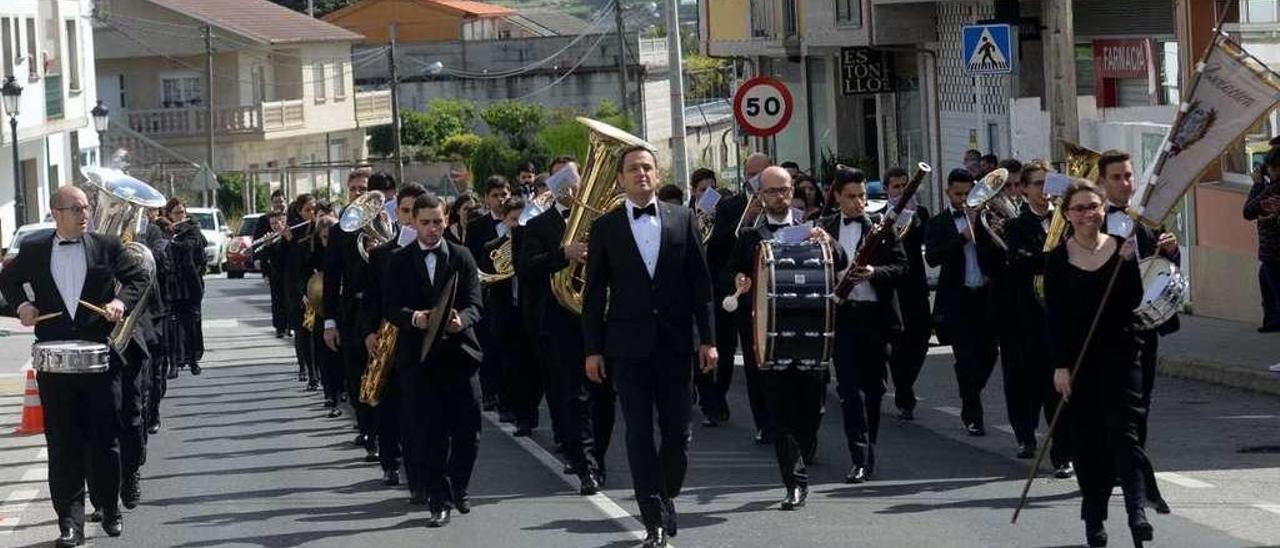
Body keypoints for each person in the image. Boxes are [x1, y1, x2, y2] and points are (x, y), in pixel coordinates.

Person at [582, 145, 717, 548]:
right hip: (627, 346)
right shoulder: (605, 227)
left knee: (677, 435)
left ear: (657, 175)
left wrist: (708, 340)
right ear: (620, 179)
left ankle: (666, 491)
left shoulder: (683, 218)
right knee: (639, 432)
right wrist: (593, 349)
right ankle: (653, 517)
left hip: (676, 344)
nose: (641, 174)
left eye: (647, 168)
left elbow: (702, 286)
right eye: (632, 169)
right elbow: (593, 294)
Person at [0, 185, 150, 547]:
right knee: (63, 444)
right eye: (77, 208)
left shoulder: (106, 246)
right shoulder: (34, 249)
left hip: (99, 359)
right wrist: (21, 306)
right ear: (57, 213)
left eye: (87, 207)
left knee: (104, 441)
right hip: (54, 364)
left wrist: (118, 301)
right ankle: (69, 524)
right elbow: (6, 278)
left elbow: (139, 278)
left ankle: (109, 508)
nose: (85, 214)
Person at [726, 166, 842, 508]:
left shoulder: (812, 230)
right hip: (769, 337)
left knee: (811, 409)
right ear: (760, 196)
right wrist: (738, 281)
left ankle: (804, 453)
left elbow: (841, 263)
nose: (780, 196)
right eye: (772, 191)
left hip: (810, 332)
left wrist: (829, 243)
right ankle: (794, 482)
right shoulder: (750, 236)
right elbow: (727, 273)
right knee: (780, 414)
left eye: (785, 190)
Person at [1047, 180, 1155, 548]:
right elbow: (1056, 318)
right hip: (1079, 362)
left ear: (1103, 208)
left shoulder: (1121, 249)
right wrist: (1060, 366)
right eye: (1078, 209)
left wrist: (1128, 264)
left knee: (1126, 435)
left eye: (1092, 206)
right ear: (1067, 215)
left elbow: (1133, 301)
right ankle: (1095, 518)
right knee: (1089, 443)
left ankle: (1137, 512)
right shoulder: (1058, 261)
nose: (1087, 214)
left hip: (1121, 355)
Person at [383, 193, 484, 528]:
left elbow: (474, 303)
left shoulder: (463, 255)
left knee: (469, 429)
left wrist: (461, 320)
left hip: (460, 357)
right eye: (424, 222)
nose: (431, 229)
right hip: (419, 361)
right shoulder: (398, 261)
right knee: (429, 435)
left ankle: (461, 484)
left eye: (437, 222)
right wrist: (415, 318)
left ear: (446, 219)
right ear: (413, 222)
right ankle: (438, 501)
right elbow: (391, 308)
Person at [519, 161, 615, 494]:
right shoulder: (538, 224)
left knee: (604, 396)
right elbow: (527, 269)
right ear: (562, 190)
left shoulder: (602, 220)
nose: (580, 191)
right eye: (575, 186)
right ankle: (586, 466)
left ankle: (597, 457)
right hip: (562, 320)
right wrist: (564, 254)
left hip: (600, 319)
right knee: (575, 396)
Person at [821, 167, 904, 484]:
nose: (858, 203)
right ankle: (858, 456)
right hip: (843, 316)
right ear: (838, 197)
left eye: (862, 196)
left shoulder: (881, 228)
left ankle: (869, 446)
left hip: (875, 316)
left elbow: (901, 266)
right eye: (851, 197)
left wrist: (873, 271)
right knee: (848, 389)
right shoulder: (825, 227)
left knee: (874, 388)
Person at [1096, 149, 1180, 448]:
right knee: (1110, 398)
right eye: (1116, 177)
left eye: (1128, 176)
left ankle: (1134, 461)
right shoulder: (1092, 221)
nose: (1125, 183)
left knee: (1142, 396)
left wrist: (1171, 251)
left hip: (1143, 323)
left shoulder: (1148, 217)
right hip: (1106, 325)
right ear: (1103, 183)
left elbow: (1164, 269)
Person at [1000, 160, 1072, 474]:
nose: (1044, 191)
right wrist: (1050, 259)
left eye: (1048, 184)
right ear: (1025, 190)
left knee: (1059, 391)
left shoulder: (1068, 221)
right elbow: (1018, 264)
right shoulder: (1016, 225)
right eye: (1037, 185)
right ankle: (1025, 435)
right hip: (1027, 317)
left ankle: (1062, 453)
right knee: (1029, 383)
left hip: (1061, 317)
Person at [925, 168, 1002, 436]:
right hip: (958, 301)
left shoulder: (986, 218)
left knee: (990, 354)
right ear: (948, 192)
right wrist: (961, 238)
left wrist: (983, 228)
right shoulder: (938, 223)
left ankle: (970, 390)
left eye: (968, 194)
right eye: (958, 194)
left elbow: (999, 254)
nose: (963, 199)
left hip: (985, 297)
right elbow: (932, 257)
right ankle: (973, 413)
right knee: (966, 359)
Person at [362, 182, 427, 489]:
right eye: (406, 211)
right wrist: (369, 333)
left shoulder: (445, 247)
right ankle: (390, 461)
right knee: (390, 405)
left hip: (425, 340)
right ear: (398, 213)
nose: (412, 218)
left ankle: (420, 474)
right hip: (390, 338)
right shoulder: (382, 254)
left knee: (420, 413)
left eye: (418, 212)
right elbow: (372, 298)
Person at [703, 152, 770, 437]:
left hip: (765, 293)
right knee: (727, 351)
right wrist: (744, 222)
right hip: (732, 290)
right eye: (750, 173)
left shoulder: (780, 205)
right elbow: (717, 246)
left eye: (760, 173)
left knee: (759, 360)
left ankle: (765, 422)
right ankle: (717, 400)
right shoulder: (731, 206)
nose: (754, 178)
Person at [323, 169, 380, 460]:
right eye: (354, 189)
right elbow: (331, 279)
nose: (359, 194)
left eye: (364, 189)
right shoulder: (339, 230)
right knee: (357, 374)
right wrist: (329, 322)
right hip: (353, 311)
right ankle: (367, 427)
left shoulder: (386, 223)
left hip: (384, 310)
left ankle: (384, 432)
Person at [881, 167, 931, 420]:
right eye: (896, 187)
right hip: (894, 287)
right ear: (887, 190)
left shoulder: (920, 212)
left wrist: (913, 216)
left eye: (904, 185)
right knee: (899, 343)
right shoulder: (881, 214)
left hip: (916, 285)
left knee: (921, 338)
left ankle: (905, 383)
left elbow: (925, 241)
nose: (901, 191)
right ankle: (904, 392)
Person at [465, 177, 513, 413]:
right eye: (495, 195)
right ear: (486, 199)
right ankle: (490, 393)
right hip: (489, 294)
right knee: (490, 347)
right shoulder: (477, 226)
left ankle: (509, 398)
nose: (500, 199)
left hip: (513, 295)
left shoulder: (519, 221)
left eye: (504, 194)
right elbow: (470, 261)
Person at [161, 198, 208, 376]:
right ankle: (174, 363)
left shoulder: (192, 229)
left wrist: (176, 238)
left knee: (191, 323)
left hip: (190, 284)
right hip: (172, 285)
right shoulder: (163, 231)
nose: (180, 216)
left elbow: (193, 248)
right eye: (176, 213)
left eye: (182, 212)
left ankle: (193, 360)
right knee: (172, 326)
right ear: (169, 215)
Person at [1244, 136, 1280, 332]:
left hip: (1273, 251)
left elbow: (1248, 212)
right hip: (1271, 252)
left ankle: (1274, 322)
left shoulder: (1273, 189)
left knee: (1274, 288)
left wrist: (1257, 185)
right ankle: (1271, 322)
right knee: (1267, 282)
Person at [282, 194, 319, 388]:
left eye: (314, 209)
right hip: (299, 287)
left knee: (315, 331)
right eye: (307, 210)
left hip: (318, 287)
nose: (312, 213)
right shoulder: (293, 230)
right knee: (303, 331)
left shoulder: (321, 227)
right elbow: (290, 263)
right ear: (299, 211)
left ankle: (317, 370)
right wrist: (287, 241)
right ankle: (307, 369)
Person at [256, 189, 290, 338]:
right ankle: (280, 327)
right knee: (277, 298)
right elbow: (259, 243)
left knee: (290, 297)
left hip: (288, 265)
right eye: (276, 202)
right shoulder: (264, 220)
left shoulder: (290, 218)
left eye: (281, 201)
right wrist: (261, 264)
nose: (279, 205)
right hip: (272, 265)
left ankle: (290, 325)